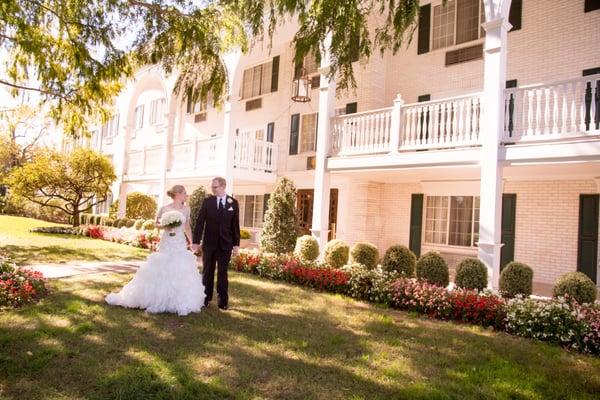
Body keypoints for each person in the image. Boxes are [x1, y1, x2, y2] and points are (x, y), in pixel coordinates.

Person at [106, 185, 205, 316]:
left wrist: (192, 242)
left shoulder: (187, 209)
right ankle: (156, 298)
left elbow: (187, 226)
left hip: (180, 243)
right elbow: (156, 224)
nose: (186, 195)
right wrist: (166, 226)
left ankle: (178, 300)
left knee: (180, 268)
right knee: (163, 266)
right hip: (167, 241)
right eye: (184, 193)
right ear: (177, 194)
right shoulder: (164, 209)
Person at [192, 177, 240, 310]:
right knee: (207, 271)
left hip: (226, 244)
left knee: (223, 272)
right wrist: (196, 241)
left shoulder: (233, 203)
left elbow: (235, 226)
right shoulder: (208, 202)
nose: (213, 189)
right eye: (212, 187)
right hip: (209, 244)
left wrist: (236, 244)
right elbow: (200, 222)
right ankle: (205, 298)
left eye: (215, 187)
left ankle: (223, 301)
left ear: (223, 186)